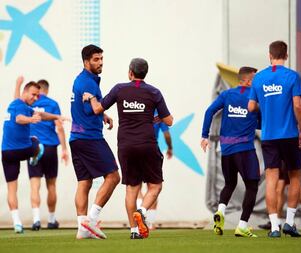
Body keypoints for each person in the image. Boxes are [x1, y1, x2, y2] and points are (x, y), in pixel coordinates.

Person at [83, 57, 173, 239]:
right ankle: (143, 211)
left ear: (130, 72)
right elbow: (169, 121)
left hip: (125, 145)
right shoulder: (154, 92)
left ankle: (133, 231)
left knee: (131, 189)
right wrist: (152, 117)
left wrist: (91, 97)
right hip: (147, 144)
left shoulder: (119, 89)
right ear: (145, 73)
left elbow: (97, 109)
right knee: (155, 186)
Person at [248, 40, 301, 238]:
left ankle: (274, 227)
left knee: (271, 179)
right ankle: (289, 222)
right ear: (286, 55)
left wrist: (266, 107)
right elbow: (297, 105)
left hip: (269, 135)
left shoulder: (258, 78)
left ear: (269, 55)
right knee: (295, 176)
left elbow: (251, 107)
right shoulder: (292, 76)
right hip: (290, 134)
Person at [201, 66, 260, 237]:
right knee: (252, 186)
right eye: (255, 79)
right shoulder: (254, 98)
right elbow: (262, 123)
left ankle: (220, 210)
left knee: (229, 183)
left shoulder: (227, 94)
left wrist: (205, 135)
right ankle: (242, 225)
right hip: (245, 149)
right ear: (248, 80)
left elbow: (209, 111)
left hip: (226, 149)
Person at [70, 44, 120, 239]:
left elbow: (91, 109)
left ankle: (82, 229)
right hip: (90, 138)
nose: (100, 63)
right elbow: (96, 108)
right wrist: (102, 107)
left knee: (84, 182)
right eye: (96, 60)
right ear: (86, 62)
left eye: (101, 59)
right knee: (114, 177)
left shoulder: (81, 79)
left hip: (76, 138)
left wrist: (103, 114)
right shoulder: (89, 83)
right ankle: (91, 221)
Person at [2, 81, 66, 234]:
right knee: (36, 142)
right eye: (33, 95)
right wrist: (31, 120)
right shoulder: (23, 106)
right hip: (28, 149)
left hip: (7, 151)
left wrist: (57, 116)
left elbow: (41, 115)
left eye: (37, 95)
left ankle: (20, 222)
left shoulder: (21, 105)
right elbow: (19, 118)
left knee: (18, 188)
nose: (36, 98)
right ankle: (51, 219)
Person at [136, 114, 173, 230]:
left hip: (134, 147)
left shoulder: (138, 108)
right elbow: (166, 134)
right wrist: (170, 147)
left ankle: (139, 217)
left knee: (135, 187)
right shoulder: (159, 113)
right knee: (153, 187)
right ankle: (150, 223)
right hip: (151, 149)